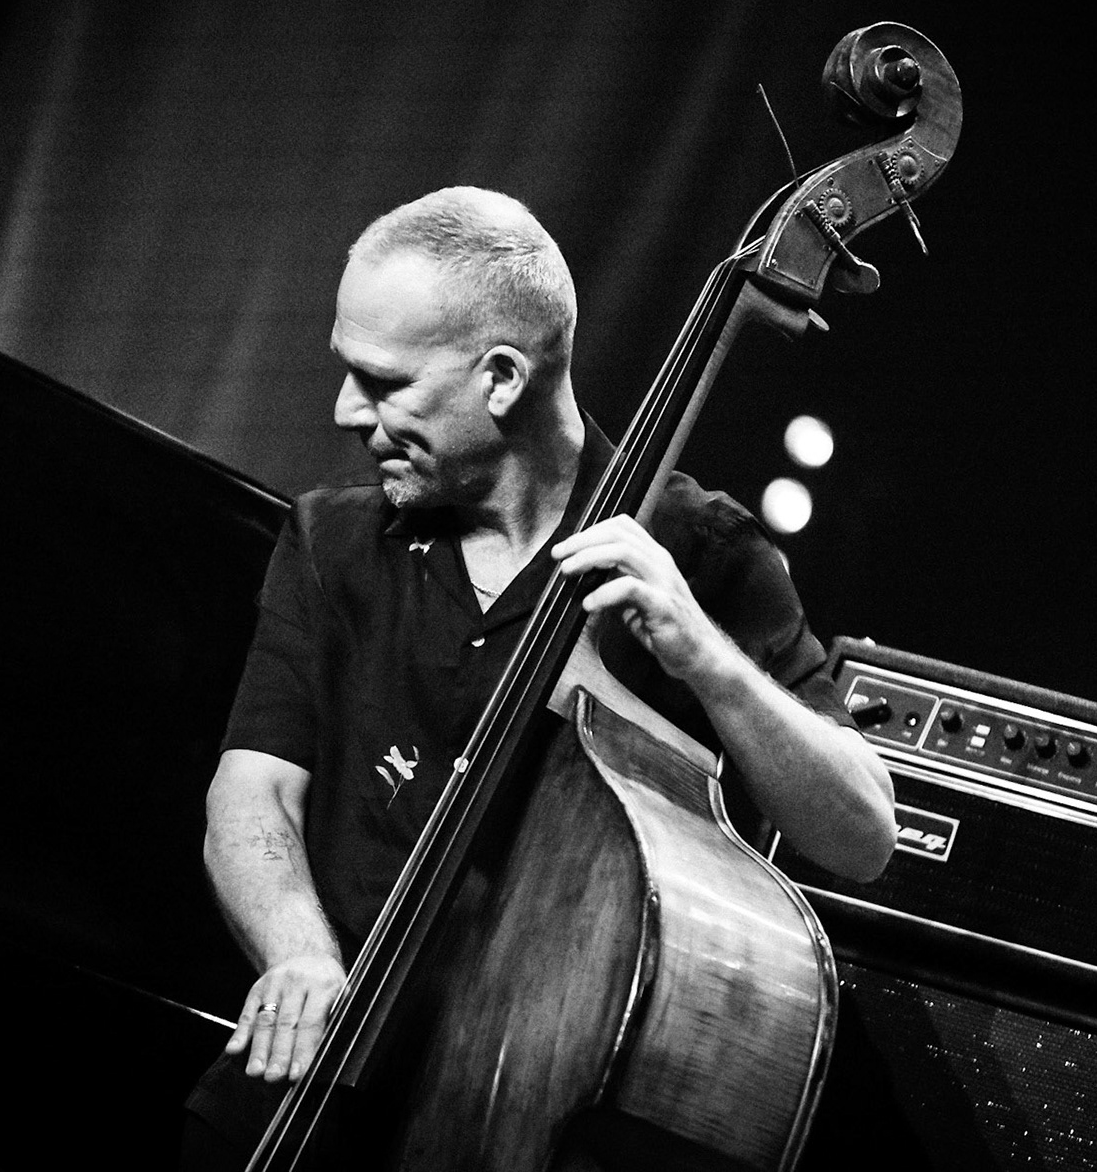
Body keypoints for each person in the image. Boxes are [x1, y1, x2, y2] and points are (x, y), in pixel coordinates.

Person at [180, 186, 896, 1166]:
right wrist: (299, 947)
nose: (346, 409)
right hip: (314, 1084)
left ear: (504, 378)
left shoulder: (705, 555)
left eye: (382, 381)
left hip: (526, 1123)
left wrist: (703, 654)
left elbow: (860, 833)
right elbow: (252, 785)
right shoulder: (333, 538)